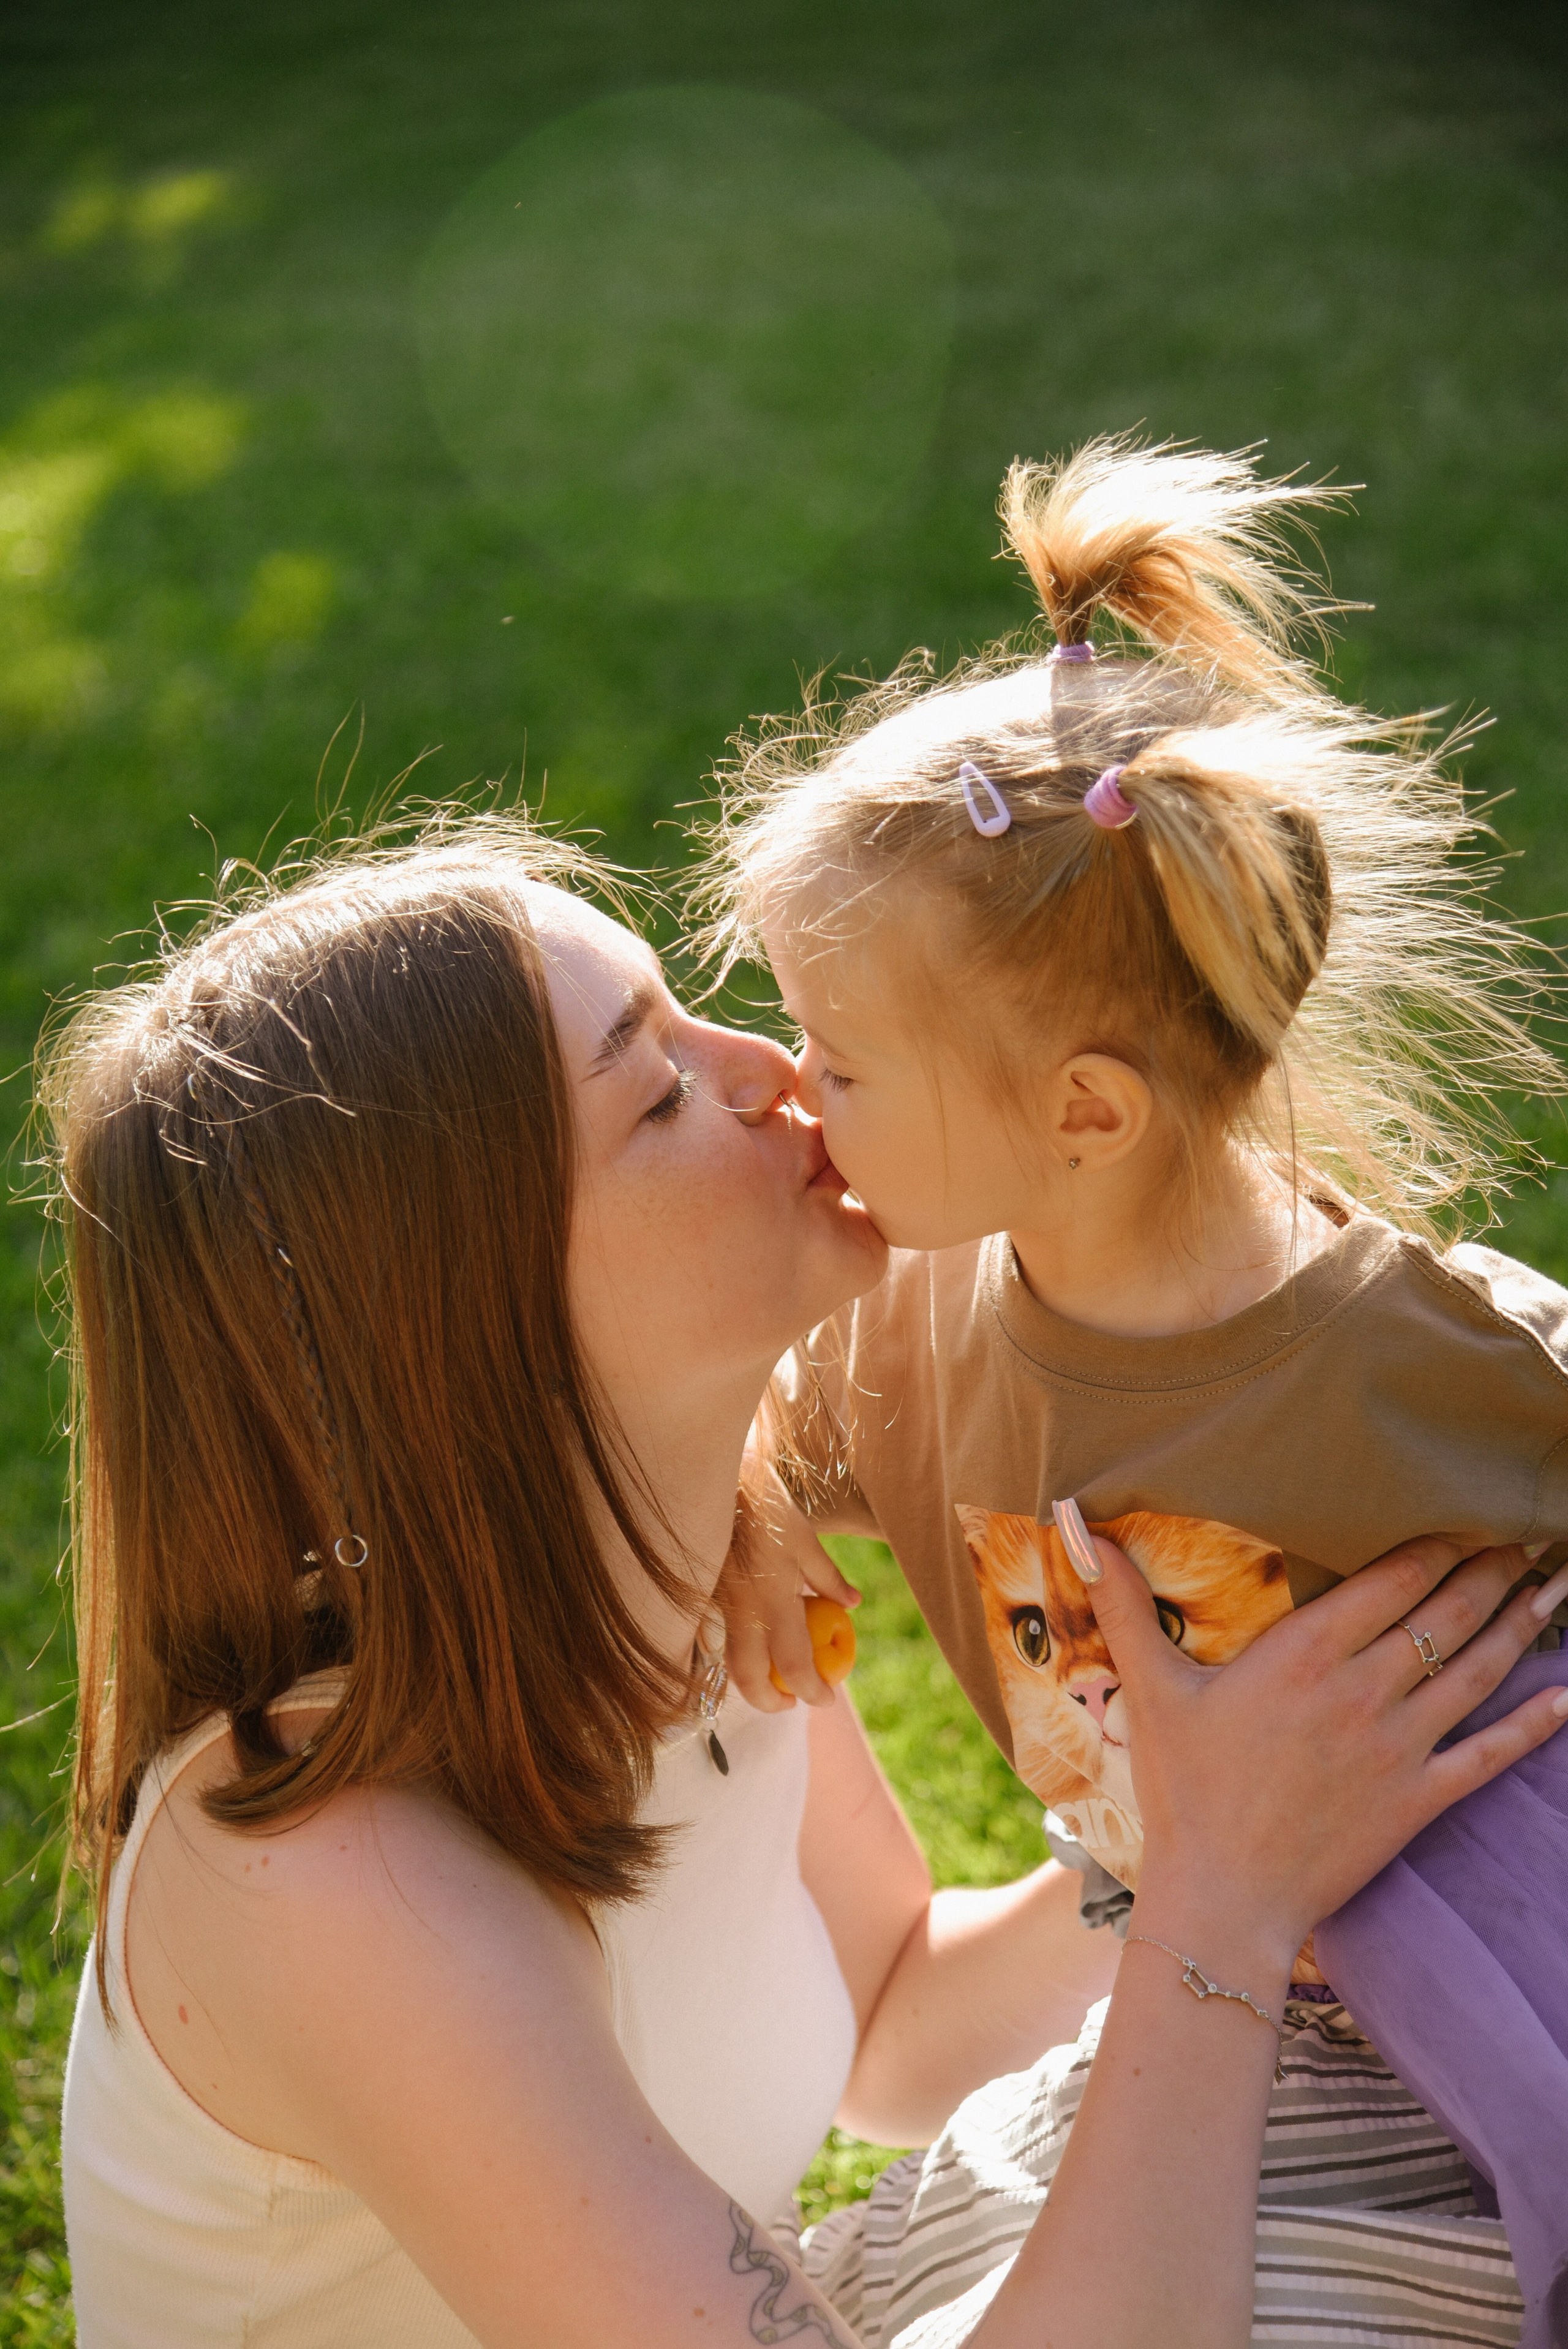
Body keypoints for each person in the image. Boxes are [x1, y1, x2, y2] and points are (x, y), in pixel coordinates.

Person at [48, 814, 1561, 2348]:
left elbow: (894, 2016)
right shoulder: (326, 1876)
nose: (774, 1069)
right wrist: (1217, 1899)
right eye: (657, 1092)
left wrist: (1240, 1799)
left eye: (688, 1009)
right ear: (464, 1323)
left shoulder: (689, 1575)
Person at [699, 439, 1568, 2339]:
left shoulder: (1429, 1360)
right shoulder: (906, 1325)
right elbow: (718, 1423)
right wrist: (745, 1515)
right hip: (1205, 2003)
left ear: (1084, 1113)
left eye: (841, 1058)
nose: (788, 1087)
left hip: (1483, 2037)